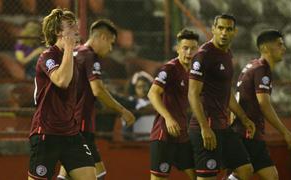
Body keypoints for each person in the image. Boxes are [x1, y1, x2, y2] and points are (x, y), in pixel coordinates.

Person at [57, 19, 135, 180]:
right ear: (103, 38)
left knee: (68, 171)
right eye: (111, 43)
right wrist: (122, 110)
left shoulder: (75, 52)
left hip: (68, 120)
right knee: (98, 174)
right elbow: (98, 90)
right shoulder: (89, 56)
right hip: (80, 123)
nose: (111, 49)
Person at [28, 8, 96, 180]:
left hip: (70, 133)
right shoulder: (47, 56)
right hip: (47, 131)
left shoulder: (70, 58)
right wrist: (68, 48)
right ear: (58, 31)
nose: (77, 29)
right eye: (71, 26)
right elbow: (62, 81)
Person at [188, 14, 256, 180]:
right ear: (213, 29)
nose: (224, 32)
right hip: (206, 126)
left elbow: (227, 92)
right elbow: (192, 94)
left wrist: (243, 117)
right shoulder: (203, 55)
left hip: (223, 126)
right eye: (220, 28)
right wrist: (204, 128)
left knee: (245, 170)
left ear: (235, 32)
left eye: (228, 29)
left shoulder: (227, 55)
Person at [231, 29, 291, 179]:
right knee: (242, 174)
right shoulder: (262, 69)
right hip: (246, 132)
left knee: (271, 176)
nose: (284, 48)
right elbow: (264, 104)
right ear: (266, 48)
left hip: (247, 131)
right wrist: (285, 132)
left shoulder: (254, 65)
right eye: (279, 44)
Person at [148, 28, 199, 180]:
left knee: (200, 176)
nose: (189, 52)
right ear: (178, 48)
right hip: (164, 134)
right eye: (185, 48)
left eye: (193, 48)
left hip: (182, 135)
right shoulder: (170, 68)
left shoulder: (193, 73)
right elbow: (152, 93)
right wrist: (168, 118)